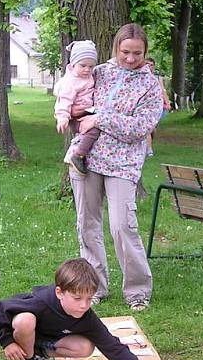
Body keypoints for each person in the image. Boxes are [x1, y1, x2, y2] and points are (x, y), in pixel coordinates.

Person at [69, 23, 163, 311]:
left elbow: (139, 128)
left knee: (123, 226)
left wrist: (100, 119)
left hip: (123, 165)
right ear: (115, 49)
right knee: (87, 224)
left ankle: (137, 291)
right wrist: (74, 113)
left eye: (137, 53)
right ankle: (94, 286)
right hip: (87, 159)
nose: (131, 59)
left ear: (146, 52)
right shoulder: (100, 73)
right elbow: (75, 99)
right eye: (125, 52)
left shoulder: (150, 85)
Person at [0, 258, 171, 360]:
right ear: (60, 292)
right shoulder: (40, 302)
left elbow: (112, 346)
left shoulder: (86, 316)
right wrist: (7, 342)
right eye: (77, 298)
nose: (84, 305)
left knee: (85, 347)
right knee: (25, 320)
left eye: (89, 298)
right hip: (23, 333)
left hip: (43, 341)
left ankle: (41, 357)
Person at [54, 40, 100, 174]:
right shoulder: (71, 82)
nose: (87, 70)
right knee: (94, 130)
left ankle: (81, 151)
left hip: (87, 112)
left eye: (91, 67)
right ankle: (78, 155)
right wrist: (62, 117)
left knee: (95, 128)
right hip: (76, 118)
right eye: (83, 65)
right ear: (73, 64)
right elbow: (64, 100)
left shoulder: (88, 77)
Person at [144, 58, 171, 157]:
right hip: (146, 107)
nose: (149, 66)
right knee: (148, 127)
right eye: (147, 64)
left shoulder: (157, 78)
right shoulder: (141, 76)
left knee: (152, 128)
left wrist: (167, 103)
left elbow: (162, 91)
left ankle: (148, 145)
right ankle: (149, 149)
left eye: (151, 65)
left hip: (158, 107)